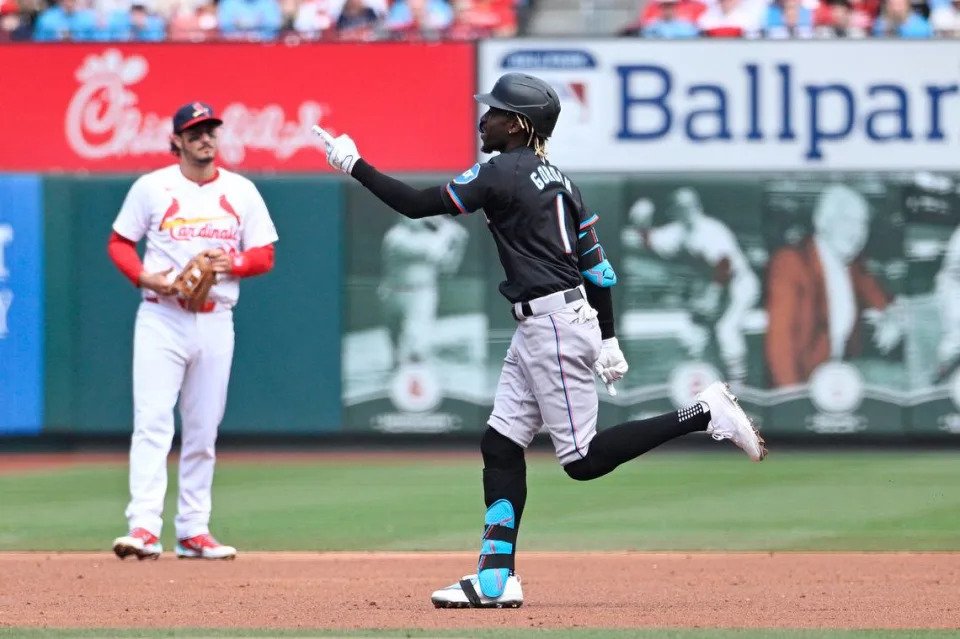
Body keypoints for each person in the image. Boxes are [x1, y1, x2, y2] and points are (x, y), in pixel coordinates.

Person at [314, 73, 766, 609]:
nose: (483, 118)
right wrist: (608, 334)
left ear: (518, 124)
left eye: (494, 112)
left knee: (582, 460)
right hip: (550, 321)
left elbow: (417, 205)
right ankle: (495, 579)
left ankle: (703, 413)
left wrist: (353, 165)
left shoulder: (502, 170)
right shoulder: (563, 182)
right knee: (501, 443)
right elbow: (598, 269)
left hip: (551, 324)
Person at [108, 102, 279, 560]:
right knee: (152, 423)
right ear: (177, 141)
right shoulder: (152, 187)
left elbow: (264, 254)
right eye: (195, 131)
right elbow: (119, 242)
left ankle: (192, 530)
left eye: (210, 130)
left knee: (203, 431)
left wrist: (235, 262)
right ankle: (143, 527)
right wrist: (145, 277)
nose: (205, 137)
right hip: (161, 316)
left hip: (215, 318)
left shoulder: (240, 191)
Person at [765, 184, 901, 387]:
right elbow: (780, 342)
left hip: (841, 372)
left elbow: (883, 299)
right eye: (847, 220)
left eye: (862, 224)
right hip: (806, 381)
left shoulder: (853, 265)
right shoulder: (791, 262)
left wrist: (892, 319)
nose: (857, 232)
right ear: (822, 222)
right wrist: (791, 400)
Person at [624, 188, 760, 386]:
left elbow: (725, 265)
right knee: (692, 337)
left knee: (727, 330)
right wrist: (641, 224)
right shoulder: (677, 232)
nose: (686, 211)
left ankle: (740, 385)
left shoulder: (711, 230)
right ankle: (702, 382)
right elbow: (650, 241)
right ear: (675, 211)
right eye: (681, 207)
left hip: (740, 286)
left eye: (689, 206)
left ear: (698, 207)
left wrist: (712, 296)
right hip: (714, 287)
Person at [379, 215, 468, 369]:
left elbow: (447, 266)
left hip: (422, 293)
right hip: (394, 292)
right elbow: (432, 251)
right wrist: (447, 231)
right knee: (396, 343)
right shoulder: (396, 236)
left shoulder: (429, 237)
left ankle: (414, 371)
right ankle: (400, 371)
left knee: (417, 343)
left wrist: (459, 243)